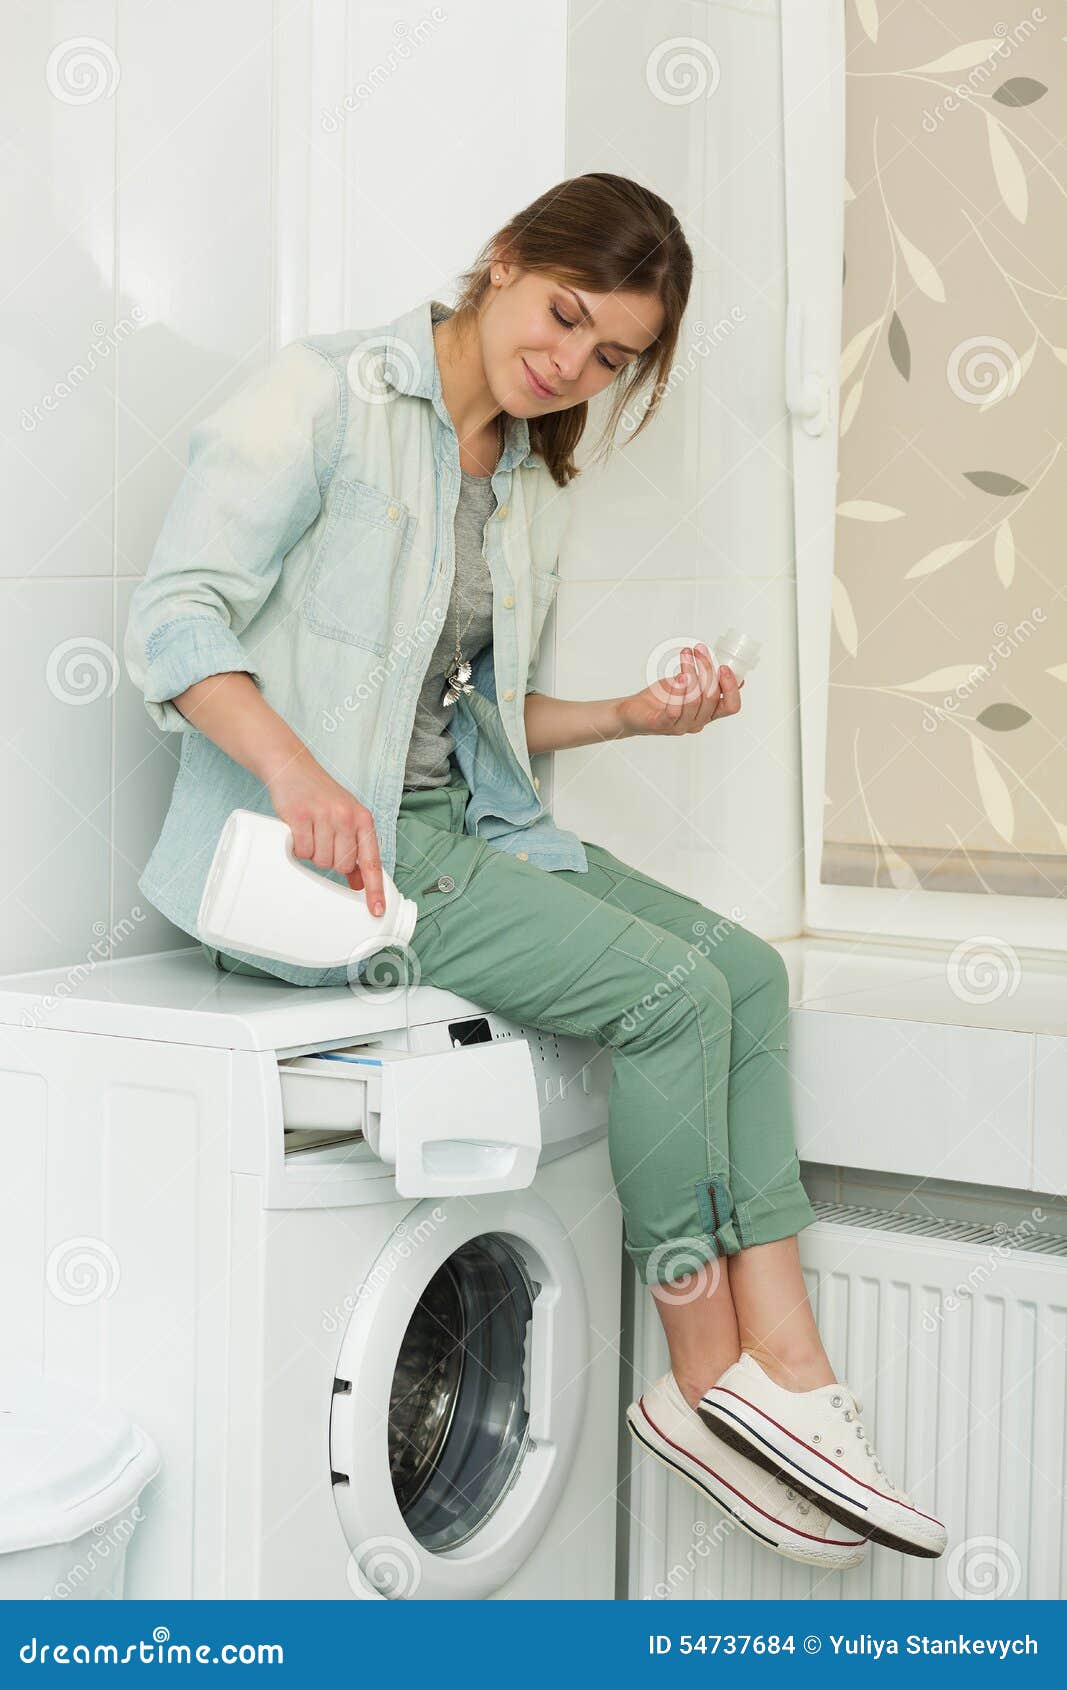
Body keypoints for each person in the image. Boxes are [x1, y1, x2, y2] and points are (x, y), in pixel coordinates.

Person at [124, 172, 946, 1570]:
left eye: (610, 355)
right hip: (325, 868)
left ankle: (788, 1367)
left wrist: (632, 715)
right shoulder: (322, 396)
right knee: (673, 997)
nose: (571, 364)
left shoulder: (520, 479)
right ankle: (704, 1381)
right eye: (565, 316)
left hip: (464, 834)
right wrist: (298, 773)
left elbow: (476, 723)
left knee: (743, 972)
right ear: (504, 259)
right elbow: (174, 618)